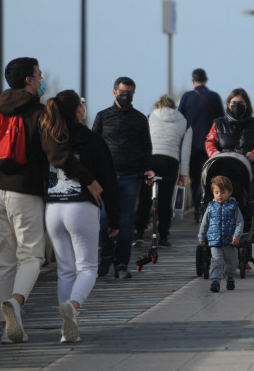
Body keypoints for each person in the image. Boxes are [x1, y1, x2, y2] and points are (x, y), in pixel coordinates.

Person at [0, 57, 100, 344]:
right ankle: (15, 304)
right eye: (39, 75)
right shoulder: (39, 113)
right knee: (30, 256)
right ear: (29, 80)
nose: (42, 80)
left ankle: (7, 330)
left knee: (3, 262)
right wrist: (89, 179)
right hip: (24, 194)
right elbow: (57, 155)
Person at [41, 90, 120, 343]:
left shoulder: (49, 137)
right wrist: (115, 219)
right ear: (78, 110)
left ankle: (67, 329)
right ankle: (72, 307)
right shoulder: (92, 140)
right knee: (87, 268)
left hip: (53, 208)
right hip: (82, 208)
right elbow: (108, 180)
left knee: (65, 269)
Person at [92, 76, 154, 279]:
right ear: (114, 92)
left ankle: (121, 264)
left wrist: (147, 170)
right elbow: (92, 145)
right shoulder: (102, 117)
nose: (126, 96)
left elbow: (146, 147)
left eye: (129, 93)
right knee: (103, 220)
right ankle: (107, 254)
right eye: (122, 92)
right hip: (105, 178)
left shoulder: (139, 119)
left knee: (127, 223)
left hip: (130, 177)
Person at [134, 94, 192, 248]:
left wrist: (141, 166)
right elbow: (185, 151)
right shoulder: (185, 122)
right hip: (170, 161)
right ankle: (163, 235)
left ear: (158, 105)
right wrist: (183, 174)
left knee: (145, 197)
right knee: (165, 200)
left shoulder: (150, 117)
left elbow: (142, 142)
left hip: (151, 159)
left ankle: (139, 231)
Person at [205, 88, 254, 206]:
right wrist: (214, 154)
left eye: (241, 103)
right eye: (233, 103)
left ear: (247, 105)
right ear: (228, 105)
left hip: (248, 167)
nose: (236, 106)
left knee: (249, 199)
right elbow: (210, 141)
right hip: (223, 167)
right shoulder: (218, 124)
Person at [178, 68, 225, 221]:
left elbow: (180, 119)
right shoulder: (214, 97)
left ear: (193, 81)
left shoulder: (186, 97)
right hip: (210, 145)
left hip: (190, 144)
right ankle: (203, 204)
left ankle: (197, 209)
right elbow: (221, 121)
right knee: (207, 177)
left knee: (194, 176)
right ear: (206, 80)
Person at [198, 175, 244, 293]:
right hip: (215, 240)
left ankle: (230, 277)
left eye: (222, 192)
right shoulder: (211, 207)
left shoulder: (233, 207)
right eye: (216, 192)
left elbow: (239, 222)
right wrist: (201, 236)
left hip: (230, 240)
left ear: (229, 192)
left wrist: (237, 235)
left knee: (232, 262)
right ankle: (216, 281)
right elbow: (205, 223)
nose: (219, 195)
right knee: (216, 261)